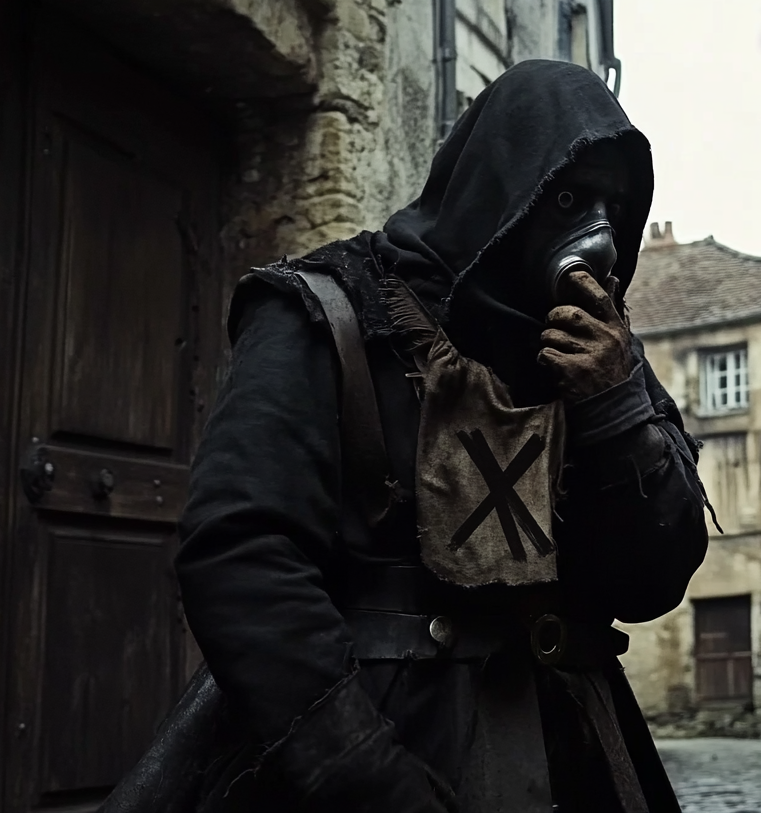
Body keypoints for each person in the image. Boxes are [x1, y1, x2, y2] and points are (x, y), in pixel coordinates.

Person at [101, 60, 712, 813]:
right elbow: (243, 558)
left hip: (572, 746)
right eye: (566, 197)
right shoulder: (330, 313)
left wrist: (616, 410)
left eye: (614, 207)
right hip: (373, 742)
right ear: (500, 185)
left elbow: (651, 583)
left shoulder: (602, 354)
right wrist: (363, 775)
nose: (597, 235)